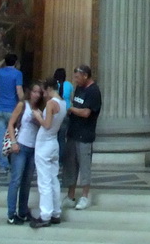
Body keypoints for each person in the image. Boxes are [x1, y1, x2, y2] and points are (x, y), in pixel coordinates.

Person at [62, 65, 102, 211]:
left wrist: (71, 109)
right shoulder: (79, 88)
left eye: (78, 77)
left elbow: (86, 113)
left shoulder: (93, 91)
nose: (75, 80)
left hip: (85, 134)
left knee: (84, 166)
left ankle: (85, 196)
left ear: (85, 76)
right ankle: (70, 196)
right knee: (70, 166)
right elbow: (76, 104)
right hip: (73, 132)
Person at [30, 79, 68, 229]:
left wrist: (37, 115)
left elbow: (46, 124)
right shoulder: (63, 103)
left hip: (45, 143)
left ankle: (45, 215)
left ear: (49, 88)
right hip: (54, 143)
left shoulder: (51, 103)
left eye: (44, 91)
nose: (43, 94)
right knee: (53, 179)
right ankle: (56, 212)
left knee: (44, 181)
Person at [5, 81, 43, 225]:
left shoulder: (39, 109)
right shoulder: (23, 105)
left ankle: (23, 211)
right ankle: (11, 213)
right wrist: (14, 142)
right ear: (30, 92)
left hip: (33, 148)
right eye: (34, 91)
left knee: (27, 182)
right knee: (16, 180)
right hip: (20, 146)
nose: (36, 94)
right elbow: (11, 123)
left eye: (39, 92)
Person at [0, 53, 24, 175]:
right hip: (11, 108)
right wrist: (24, 103)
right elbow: (19, 90)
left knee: (1, 137)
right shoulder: (17, 73)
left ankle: (3, 165)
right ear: (16, 62)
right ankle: (13, 163)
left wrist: (4, 60)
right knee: (14, 136)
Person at [54, 67, 74, 165]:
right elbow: (71, 99)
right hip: (66, 113)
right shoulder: (69, 85)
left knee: (54, 137)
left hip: (55, 113)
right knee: (62, 138)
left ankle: (54, 157)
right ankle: (61, 160)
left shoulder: (54, 86)